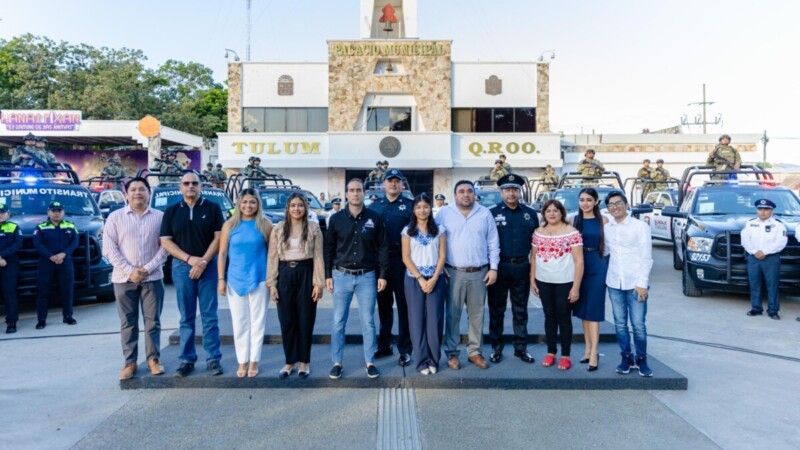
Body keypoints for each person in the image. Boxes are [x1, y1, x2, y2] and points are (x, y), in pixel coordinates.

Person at [102, 177, 170, 380]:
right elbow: (109, 249)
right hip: (123, 279)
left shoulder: (160, 217)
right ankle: (130, 362)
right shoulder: (115, 218)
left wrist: (147, 269)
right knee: (128, 323)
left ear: (149, 193)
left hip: (153, 277)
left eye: (142, 189)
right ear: (126, 193)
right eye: (134, 189)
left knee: (152, 322)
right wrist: (130, 270)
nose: (138, 193)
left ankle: (153, 360)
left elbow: (165, 247)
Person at [160, 172, 226, 378]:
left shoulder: (213, 208)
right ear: (180, 187)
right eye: (186, 183)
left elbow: (218, 239)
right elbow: (166, 241)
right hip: (182, 267)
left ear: (201, 186)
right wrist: (190, 260)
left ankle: (213, 359)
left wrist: (203, 261)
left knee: (209, 316)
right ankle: (186, 359)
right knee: (186, 317)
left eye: (194, 183)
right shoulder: (171, 212)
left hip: (208, 267)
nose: (190, 186)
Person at [324, 178, 389, 380]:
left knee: (368, 321)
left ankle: (370, 362)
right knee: (338, 322)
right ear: (346, 194)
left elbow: (382, 248)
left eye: (358, 190)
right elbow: (328, 248)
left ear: (363, 193)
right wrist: (327, 275)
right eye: (351, 190)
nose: (355, 194)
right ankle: (337, 362)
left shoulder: (374, 218)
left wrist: (383, 275)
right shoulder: (335, 219)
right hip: (341, 275)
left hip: (366, 276)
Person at [436, 180, 499, 370]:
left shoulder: (484, 213)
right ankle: (452, 353)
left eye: (469, 191)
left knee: (477, 315)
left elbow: (493, 243)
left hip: (479, 273)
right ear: (455, 195)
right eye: (461, 191)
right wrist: (439, 267)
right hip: (453, 272)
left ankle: (474, 352)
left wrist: (493, 268)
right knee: (452, 315)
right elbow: (435, 240)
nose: (466, 195)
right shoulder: (444, 214)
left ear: (474, 194)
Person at [267, 193, 324, 379]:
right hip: (285, 273)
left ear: (305, 208)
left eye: (300, 205)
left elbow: (318, 257)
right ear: (288, 208)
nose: (296, 209)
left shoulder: (314, 228)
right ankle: (289, 361)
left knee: (305, 318)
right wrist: (272, 284)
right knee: (286, 319)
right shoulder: (279, 229)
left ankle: (304, 362)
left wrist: (318, 283)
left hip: (306, 272)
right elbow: (273, 257)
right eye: (293, 205)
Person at [218, 188, 272, 378]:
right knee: (239, 323)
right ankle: (242, 361)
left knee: (258, 322)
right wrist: (221, 279)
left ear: (258, 204)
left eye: (252, 202)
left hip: (259, 279)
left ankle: (254, 361)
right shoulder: (229, 226)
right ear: (238, 204)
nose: (248, 206)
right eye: (245, 202)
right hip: (235, 280)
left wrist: (272, 281)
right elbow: (222, 253)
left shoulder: (265, 225)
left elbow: (272, 254)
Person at [487, 174, 539, 364]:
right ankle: (496, 347)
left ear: (519, 192)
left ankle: (521, 348)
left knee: (520, 311)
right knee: (496, 310)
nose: (511, 193)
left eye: (514, 189)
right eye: (507, 190)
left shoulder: (530, 213)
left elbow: (536, 244)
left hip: (522, 268)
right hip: (499, 267)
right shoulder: (491, 213)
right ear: (501, 192)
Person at [604, 190, 654, 377]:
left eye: (618, 203)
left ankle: (642, 360)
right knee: (620, 324)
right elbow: (606, 251)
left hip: (636, 284)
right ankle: (626, 358)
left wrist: (642, 283)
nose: (615, 207)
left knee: (638, 325)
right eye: (611, 205)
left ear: (626, 204)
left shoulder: (639, 226)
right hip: (614, 282)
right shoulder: (607, 228)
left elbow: (646, 256)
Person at [530, 199, 583, 370]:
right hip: (544, 281)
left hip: (565, 282)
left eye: (555, 210)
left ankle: (566, 355)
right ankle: (551, 352)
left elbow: (579, 261)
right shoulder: (538, 232)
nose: (552, 214)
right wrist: (532, 279)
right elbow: (534, 258)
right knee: (549, 316)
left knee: (564, 317)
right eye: (548, 211)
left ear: (562, 213)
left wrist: (576, 286)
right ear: (543, 214)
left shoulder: (572, 232)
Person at [369, 169, 414, 365]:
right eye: (390, 181)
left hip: (402, 262)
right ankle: (384, 344)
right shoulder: (374, 207)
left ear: (402, 185)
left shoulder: (411, 206)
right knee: (384, 305)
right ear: (384, 184)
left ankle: (405, 348)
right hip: (380, 264)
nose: (393, 184)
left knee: (404, 306)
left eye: (397, 181)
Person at [401, 194, 447, 375]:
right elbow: (406, 257)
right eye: (418, 207)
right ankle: (421, 361)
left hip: (436, 278)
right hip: (414, 280)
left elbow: (442, 255)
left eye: (426, 206)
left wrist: (434, 278)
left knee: (435, 320)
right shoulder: (407, 231)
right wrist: (421, 279)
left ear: (431, 208)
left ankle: (434, 359)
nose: (422, 210)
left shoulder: (440, 229)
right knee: (416, 320)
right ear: (414, 209)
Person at [572, 189, 608, 371]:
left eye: (589, 200)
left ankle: (595, 352)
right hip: (579, 267)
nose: (585, 203)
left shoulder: (604, 220)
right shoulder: (574, 221)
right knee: (584, 310)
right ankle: (587, 350)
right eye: (582, 200)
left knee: (593, 310)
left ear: (596, 202)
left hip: (597, 264)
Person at [33, 201, 79, 329]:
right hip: (46, 263)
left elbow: (75, 242)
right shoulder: (41, 227)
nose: (57, 213)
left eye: (59, 210)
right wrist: (50, 256)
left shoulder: (70, 225)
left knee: (67, 291)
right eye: (54, 211)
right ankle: (41, 319)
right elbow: (37, 244)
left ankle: (68, 316)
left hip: (65, 262)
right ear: (48, 212)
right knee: (43, 292)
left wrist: (64, 254)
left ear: (63, 212)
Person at [742, 199, 787, 320]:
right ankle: (756, 308)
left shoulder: (778, 225)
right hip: (753, 257)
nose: (763, 212)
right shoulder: (750, 223)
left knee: (772, 285)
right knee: (754, 284)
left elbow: (781, 242)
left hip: (771, 258)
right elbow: (745, 240)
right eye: (760, 209)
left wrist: (764, 252)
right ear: (757, 210)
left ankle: (773, 311)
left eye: (766, 209)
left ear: (772, 211)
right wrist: (754, 251)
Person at [0, 203, 23, 334]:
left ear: (8, 214)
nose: (0, 215)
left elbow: (18, 244)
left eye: (2, 212)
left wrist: (2, 256)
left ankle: (12, 322)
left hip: (9, 264)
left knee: (10, 293)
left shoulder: (13, 227)